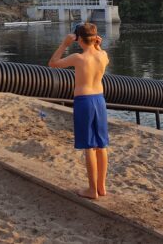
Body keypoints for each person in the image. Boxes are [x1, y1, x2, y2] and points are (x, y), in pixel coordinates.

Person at [48, 22, 109, 200]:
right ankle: (101, 186)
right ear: (95, 38)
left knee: (89, 146)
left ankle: (92, 190)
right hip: (100, 100)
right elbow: (100, 53)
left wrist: (64, 44)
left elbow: (53, 63)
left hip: (84, 101)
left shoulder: (78, 58)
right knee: (101, 145)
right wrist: (98, 46)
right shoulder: (104, 55)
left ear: (79, 39)